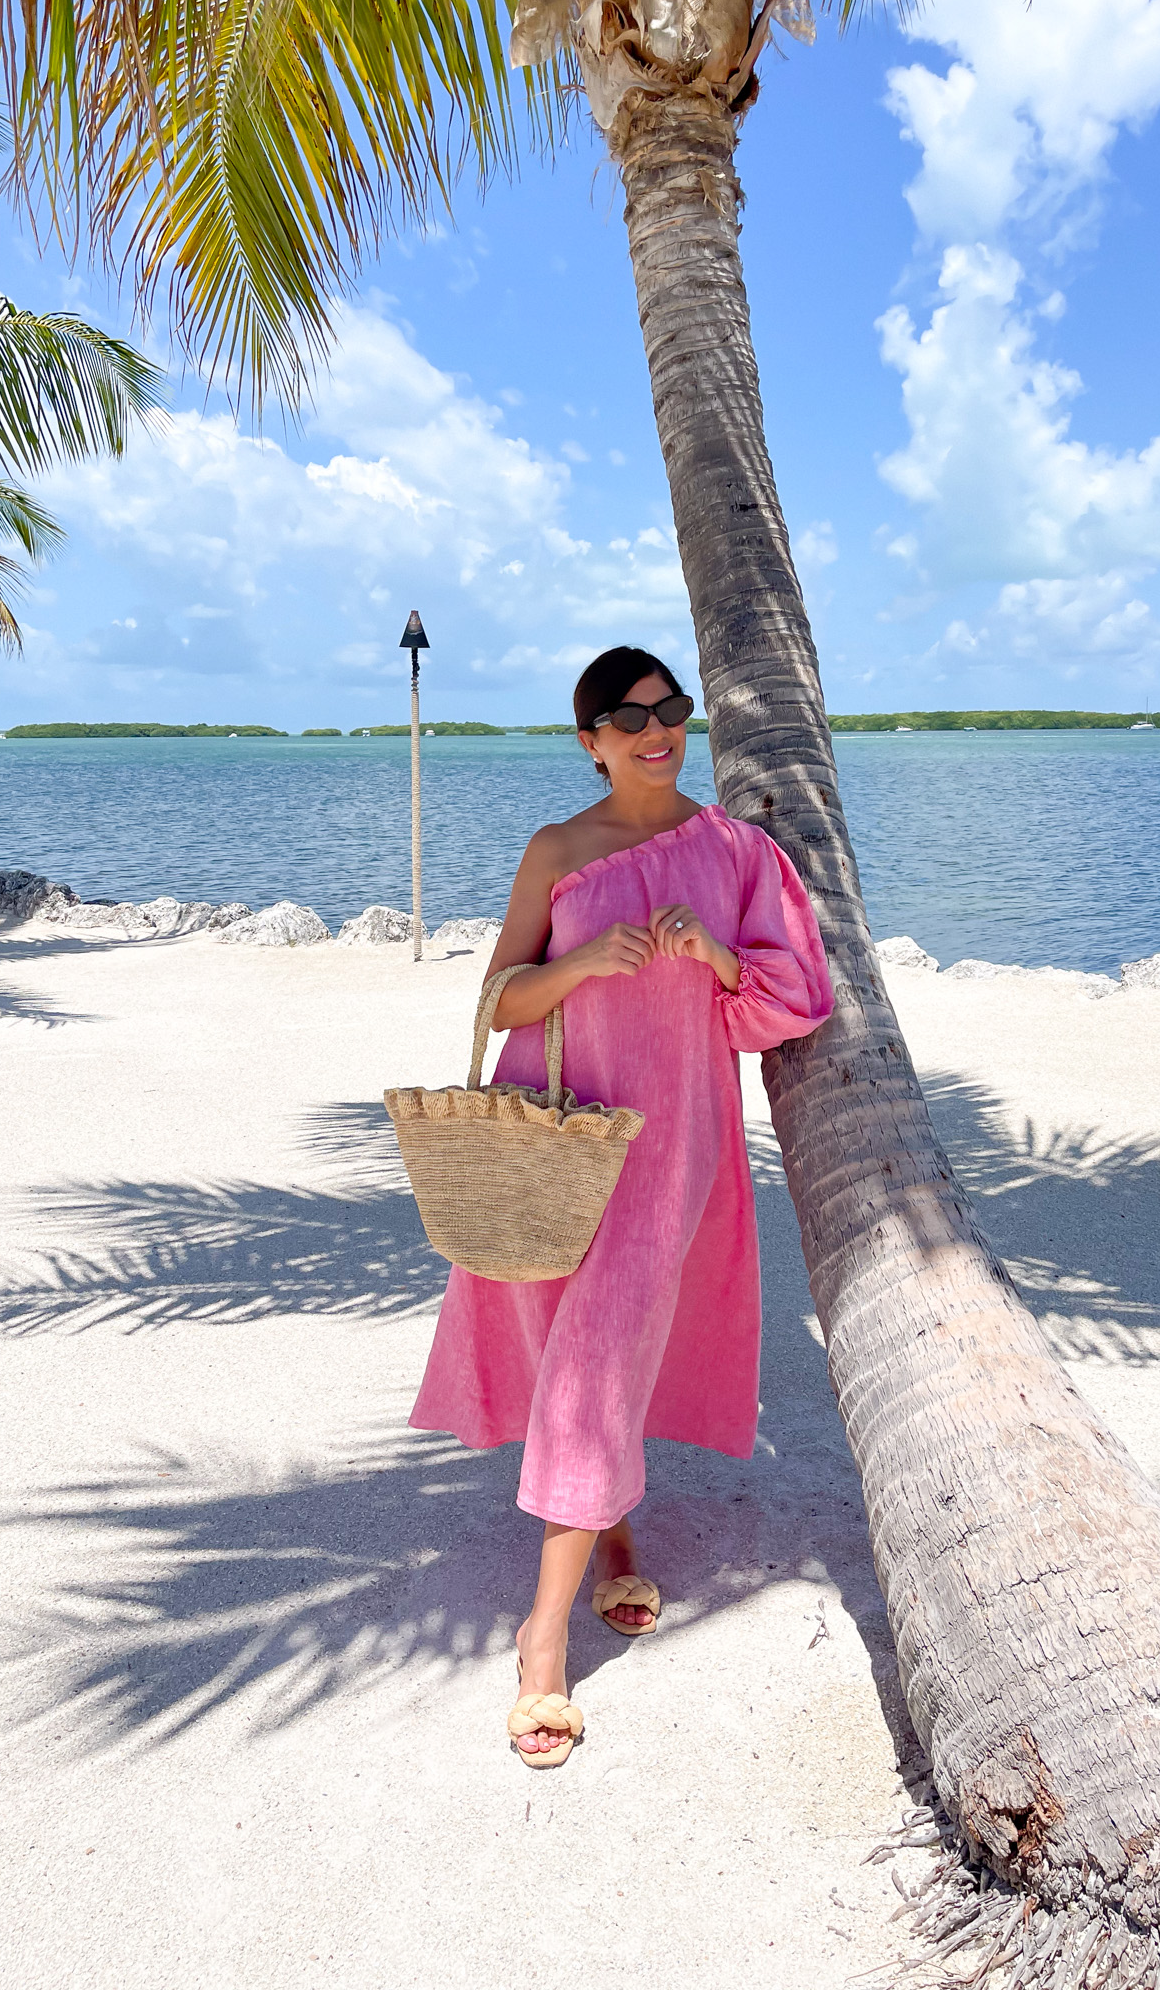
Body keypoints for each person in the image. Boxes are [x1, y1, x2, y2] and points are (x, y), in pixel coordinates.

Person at [408, 646, 834, 1767]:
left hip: (668, 1147)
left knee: (602, 1356)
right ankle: (615, 1534)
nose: (656, 730)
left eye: (670, 710)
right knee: (565, 1345)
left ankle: (540, 1643)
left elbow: (795, 995)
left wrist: (718, 957)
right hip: (552, 1138)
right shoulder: (557, 850)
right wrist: (589, 956)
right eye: (627, 715)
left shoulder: (739, 854)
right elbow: (501, 997)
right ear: (589, 738)